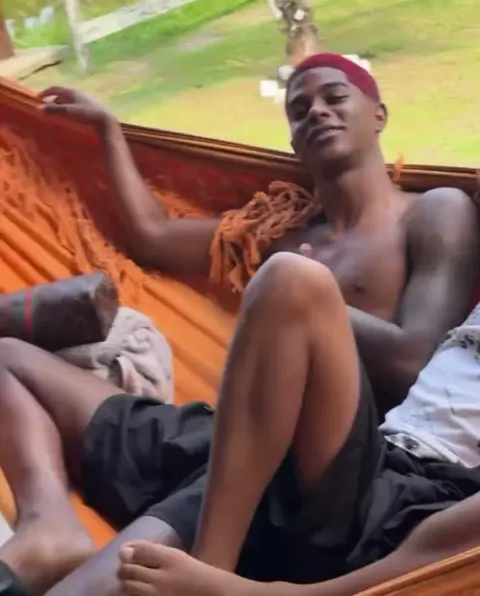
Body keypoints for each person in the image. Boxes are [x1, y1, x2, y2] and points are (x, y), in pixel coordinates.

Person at [0, 54, 475, 596]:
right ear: (293, 143)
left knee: (287, 292)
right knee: (10, 359)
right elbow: (152, 236)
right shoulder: (279, 233)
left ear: (379, 115)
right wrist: (108, 130)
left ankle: (198, 570)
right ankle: (50, 524)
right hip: (239, 430)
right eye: (300, 109)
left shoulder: (433, 211)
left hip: (345, 460)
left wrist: (300, 307)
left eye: (335, 97)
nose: (318, 112)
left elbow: (415, 359)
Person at [114, 274, 480, 596]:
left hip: (447, 522)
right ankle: (211, 563)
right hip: (380, 464)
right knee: (292, 282)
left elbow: (408, 355)